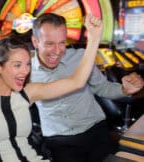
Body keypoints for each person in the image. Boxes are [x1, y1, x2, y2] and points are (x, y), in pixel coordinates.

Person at [0, 3, 103, 162]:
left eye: (28, 64)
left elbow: (76, 82)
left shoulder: (28, 92)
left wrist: (94, 39)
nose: (25, 71)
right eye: (17, 65)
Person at [30, 13, 144, 162]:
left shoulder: (81, 57)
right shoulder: (25, 70)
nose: (57, 51)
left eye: (62, 43)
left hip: (95, 132)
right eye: (49, 43)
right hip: (59, 141)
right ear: (35, 42)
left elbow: (102, 88)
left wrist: (124, 90)